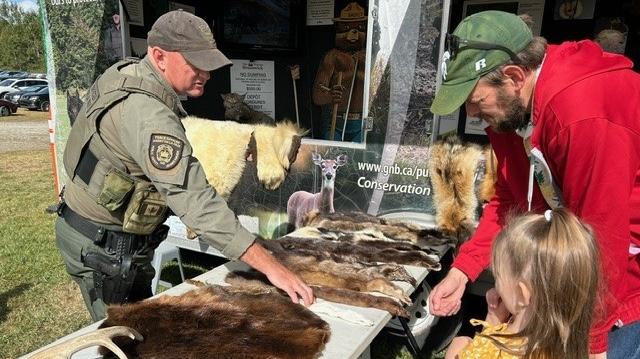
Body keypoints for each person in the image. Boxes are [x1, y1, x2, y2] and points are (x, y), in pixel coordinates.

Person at [55, 9, 314, 322]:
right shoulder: (150, 116)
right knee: (128, 338)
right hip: (103, 248)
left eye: (208, 64)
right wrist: (274, 268)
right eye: (196, 64)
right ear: (160, 56)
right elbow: (198, 205)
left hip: (106, 235)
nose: (206, 74)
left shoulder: (125, 73)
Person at [428, 10, 640, 358]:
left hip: (623, 281)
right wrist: (463, 271)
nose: (474, 115)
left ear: (513, 76)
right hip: (568, 269)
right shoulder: (511, 113)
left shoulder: (582, 111)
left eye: (477, 101)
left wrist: (593, 343)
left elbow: (603, 236)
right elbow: (510, 197)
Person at [451, 208, 600, 359]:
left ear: (522, 294)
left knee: (459, 342)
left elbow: (470, 351)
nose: (496, 287)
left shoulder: (493, 352)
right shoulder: (572, 347)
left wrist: (493, 320)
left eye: (498, 277)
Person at [312, 2, 367, 142]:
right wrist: (330, 94)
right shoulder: (332, 57)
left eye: (359, 28)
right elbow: (317, 94)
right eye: (347, 28)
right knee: (332, 156)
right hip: (334, 121)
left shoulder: (368, 58)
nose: (353, 33)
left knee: (357, 160)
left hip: (361, 121)